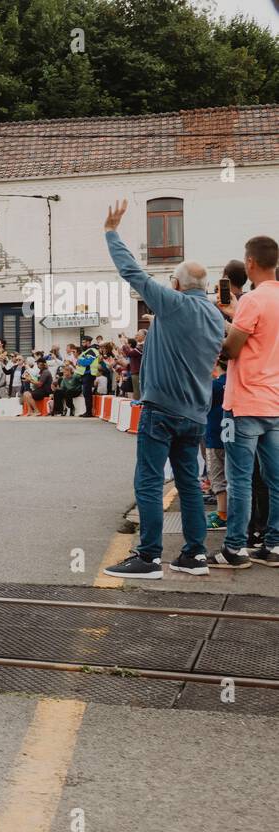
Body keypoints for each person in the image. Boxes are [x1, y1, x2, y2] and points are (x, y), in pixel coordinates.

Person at [99, 199, 225, 579]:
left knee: (150, 480)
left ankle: (149, 556)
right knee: (188, 484)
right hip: (194, 414)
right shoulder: (216, 318)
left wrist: (111, 231)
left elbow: (132, 272)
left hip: (161, 410)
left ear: (176, 284)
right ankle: (194, 555)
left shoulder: (172, 304)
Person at [214, 235, 279, 568]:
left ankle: (235, 548)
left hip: (244, 403)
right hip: (275, 403)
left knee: (239, 478)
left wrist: (228, 322)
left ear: (250, 263)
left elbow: (231, 349)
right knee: (275, 478)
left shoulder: (252, 300)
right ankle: (274, 545)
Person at [204, 357, 228, 529]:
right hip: (235, 435)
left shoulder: (213, 386)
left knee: (217, 475)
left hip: (214, 434)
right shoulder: (235, 382)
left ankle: (222, 514)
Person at [76, 334, 101, 416]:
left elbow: (87, 362)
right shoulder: (87, 351)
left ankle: (89, 412)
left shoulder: (92, 350)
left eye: (83, 342)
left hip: (89, 374)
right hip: (85, 374)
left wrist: (79, 361)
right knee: (86, 393)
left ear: (88, 342)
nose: (82, 344)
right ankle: (87, 411)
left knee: (87, 393)